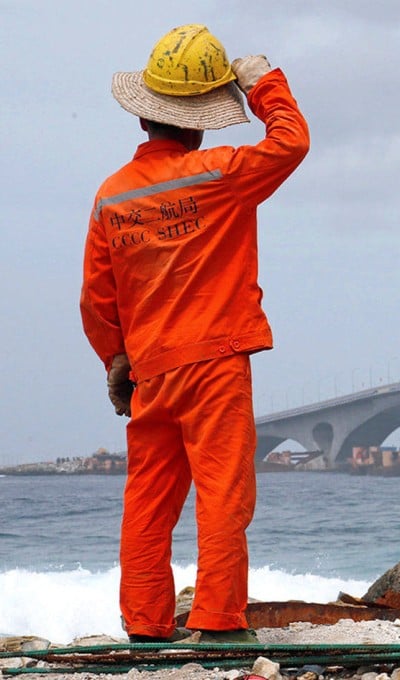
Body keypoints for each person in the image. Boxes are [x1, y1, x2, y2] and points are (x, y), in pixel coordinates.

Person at [80, 24, 310, 643]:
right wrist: (263, 82)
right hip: (213, 364)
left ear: (145, 117)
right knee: (222, 496)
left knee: (148, 504)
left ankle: (146, 624)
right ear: (202, 120)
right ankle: (216, 621)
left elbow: (97, 301)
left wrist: (116, 361)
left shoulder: (111, 197)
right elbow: (291, 142)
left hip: (150, 372)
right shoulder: (220, 174)